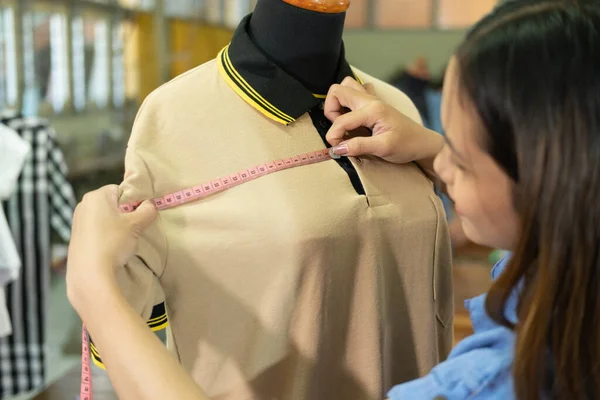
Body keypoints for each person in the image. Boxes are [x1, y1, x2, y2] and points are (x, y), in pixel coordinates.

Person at [66, 0, 600, 399]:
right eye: (448, 150)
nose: (444, 172)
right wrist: (436, 148)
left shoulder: (490, 379)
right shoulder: (172, 119)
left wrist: (91, 289)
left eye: (459, 156)